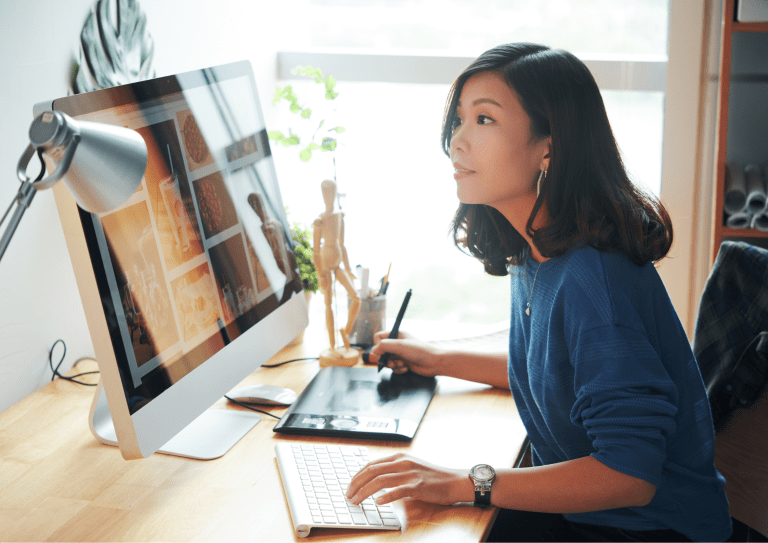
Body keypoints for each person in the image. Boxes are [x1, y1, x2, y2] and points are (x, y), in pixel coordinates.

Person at [345, 43, 733, 542]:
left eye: (484, 120)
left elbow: (630, 475)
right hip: (589, 521)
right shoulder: (538, 252)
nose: (457, 141)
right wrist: (439, 359)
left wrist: (463, 483)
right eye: (459, 119)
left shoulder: (595, 282)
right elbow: (557, 378)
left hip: (647, 532)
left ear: (548, 146)